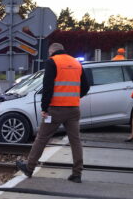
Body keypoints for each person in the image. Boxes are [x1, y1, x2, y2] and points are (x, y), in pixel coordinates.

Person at [16, 43, 90, 183]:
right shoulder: (76, 63)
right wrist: (73, 97)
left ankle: (29, 167)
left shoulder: (52, 62)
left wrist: (44, 108)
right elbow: (86, 87)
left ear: (51, 52)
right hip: (74, 109)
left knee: (42, 138)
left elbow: (47, 86)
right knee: (75, 141)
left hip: (56, 109)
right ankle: (77, 173)